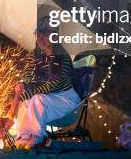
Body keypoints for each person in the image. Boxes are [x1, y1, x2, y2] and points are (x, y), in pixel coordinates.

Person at [7, 20, 80, 149]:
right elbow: (30, 72)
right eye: (37, 34)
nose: (39, 38)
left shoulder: (61, 56)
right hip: (47, 97)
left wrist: (26, 95)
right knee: (26, 103)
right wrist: (23, 83)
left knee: (36, 99)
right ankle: (23, 137)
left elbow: (54, 84)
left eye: (43, 34)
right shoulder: (37, 54)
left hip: (64, 98)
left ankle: (36, 137)